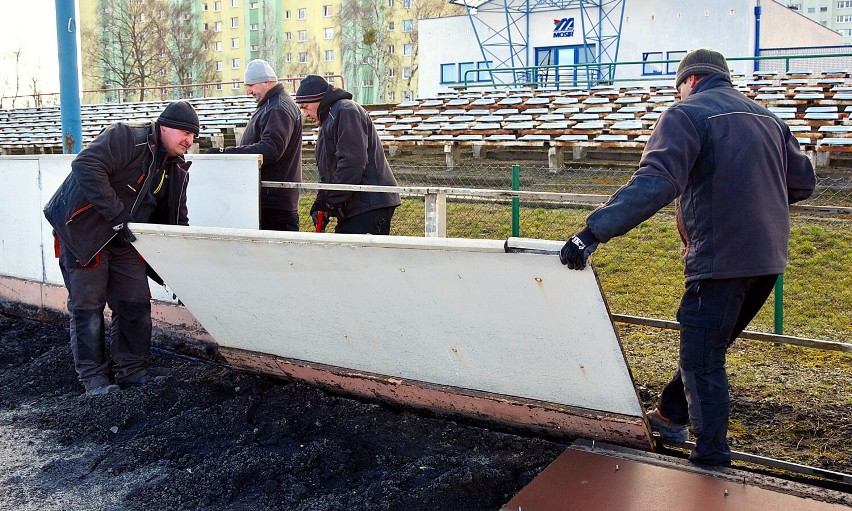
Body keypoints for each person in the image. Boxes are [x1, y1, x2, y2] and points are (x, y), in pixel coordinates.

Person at [559, 49, 816, 466]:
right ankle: (669, 415)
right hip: (768, 258)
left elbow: (657, 180)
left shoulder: (687, 113)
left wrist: (591, 232)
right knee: (707, 347)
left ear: (690, 80)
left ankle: (712, 458)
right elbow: (802, 184)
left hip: (720, 258)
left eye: (677, 87)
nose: (677, 94)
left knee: (701, 358)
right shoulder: (769, 118)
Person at [43, 101, 200, 397]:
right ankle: (94, 379)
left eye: (194, 136)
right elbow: (85, 165)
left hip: (124, 239)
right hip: (84, 233)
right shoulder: (126, 137)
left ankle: (132, 371)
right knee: (87, 307)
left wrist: (179, 267)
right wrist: (117, 216)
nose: (189, 141)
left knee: (135, 303)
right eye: (185, 132)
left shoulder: (177, 169)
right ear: (164, 126)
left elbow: (178, 220)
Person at [294, 75, 401, 234]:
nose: (305, 113)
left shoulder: (345, 111)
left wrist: (331, 202)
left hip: (368, 204)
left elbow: (352, 162)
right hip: (356, 205)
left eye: (306, 106)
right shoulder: (328, 120)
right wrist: (321, 204)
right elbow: (328, 172)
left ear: (319, 100)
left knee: (357, 257)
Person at [207, 59, 302, 231]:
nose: (248, 91)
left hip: (273, 202)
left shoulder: (277, 108)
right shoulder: (272, 105)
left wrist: (225, 154)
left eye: (251, 85)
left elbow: (270, 150)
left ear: (267, 82)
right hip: (269, 199)